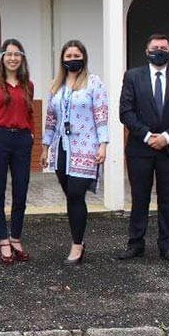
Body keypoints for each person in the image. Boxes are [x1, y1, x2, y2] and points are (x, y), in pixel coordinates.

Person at [117, 34, 169, 262]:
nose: (160, 50)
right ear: (147, 51)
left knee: (167, 199)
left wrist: (166, 137)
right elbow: (125, 112)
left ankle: (167, 244)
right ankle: (135, 243)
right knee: (140, 198)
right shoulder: (132, 77)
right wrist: (148, 136)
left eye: (164, 47)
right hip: (140, 149)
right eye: (155, 47)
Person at [41, 40, 108, 266]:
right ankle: (77, 239)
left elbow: (101, 114)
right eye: (68, 56)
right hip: (61, 148)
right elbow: (51, 119)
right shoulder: (56, 86)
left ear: (84, 57)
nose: (72, 59)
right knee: (70, 195)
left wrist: (103, 144)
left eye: (76, 55)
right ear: (62, 59)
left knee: (77, 193)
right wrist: (45, 147)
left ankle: (77, 244)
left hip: (86, 147)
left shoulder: (93, 83)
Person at [0, 39, 34, 266]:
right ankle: (2, 239)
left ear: (22, 58)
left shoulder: (27, 84)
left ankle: (15, 237)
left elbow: (30, 113)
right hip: (0, 138)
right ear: (2, 58)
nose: (13, 58)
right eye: (8, 54)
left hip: (22, 140)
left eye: (17, 54)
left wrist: (32, 134)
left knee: (21, 189)